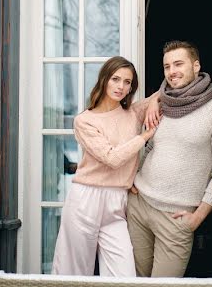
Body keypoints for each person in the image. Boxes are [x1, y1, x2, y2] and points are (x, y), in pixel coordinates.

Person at [52, 56, 161, 277]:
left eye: (127, 82)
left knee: (124, 274)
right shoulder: (85, 121)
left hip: (116, 201)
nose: (121, 86)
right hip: (85, 199)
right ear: (104, 80)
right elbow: (111, 158)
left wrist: (155, 100)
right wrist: (144, 136)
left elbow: (164, 92)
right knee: (73, 271)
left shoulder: (133, 113)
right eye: (116, 79)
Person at [127, 40, 212, 277]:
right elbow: (150, 148)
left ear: (196, 65)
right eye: (167, 66)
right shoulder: (162, 102)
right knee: (135, 280)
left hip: (176, 217)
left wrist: (198, 217)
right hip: (139, 206)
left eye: (178, 64)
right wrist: (131, 179)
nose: (172, 72)